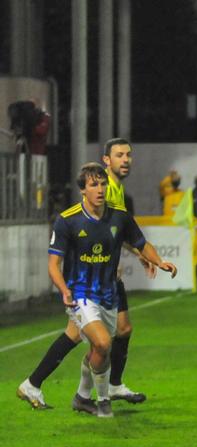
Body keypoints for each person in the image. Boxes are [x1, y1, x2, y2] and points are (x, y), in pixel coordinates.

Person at [17, 138, 153, 410]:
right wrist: (139, 255)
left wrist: (142, 254)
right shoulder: (108, 190)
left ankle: (37, 385)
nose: (125, 160)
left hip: (103, 282)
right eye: (119, 155)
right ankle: (106, 390)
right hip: (94, 282)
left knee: (82, 335)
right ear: (106, 160)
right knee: (109, 337)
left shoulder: (114, 188)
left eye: (128, 155)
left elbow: (119, 232)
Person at [47, 164, 177, 417]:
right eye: (94, 185)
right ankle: (104, 401)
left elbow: (141, 242)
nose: (100, 189)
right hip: (80, 293)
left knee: (100, 349)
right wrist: (64, 290)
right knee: (104, 342)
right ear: (83, 190)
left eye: (103, 184)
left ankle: (82, 397)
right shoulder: (67, 220)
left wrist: (158, 260)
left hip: (109, 293)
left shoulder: (119, 216)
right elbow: (53, 264)